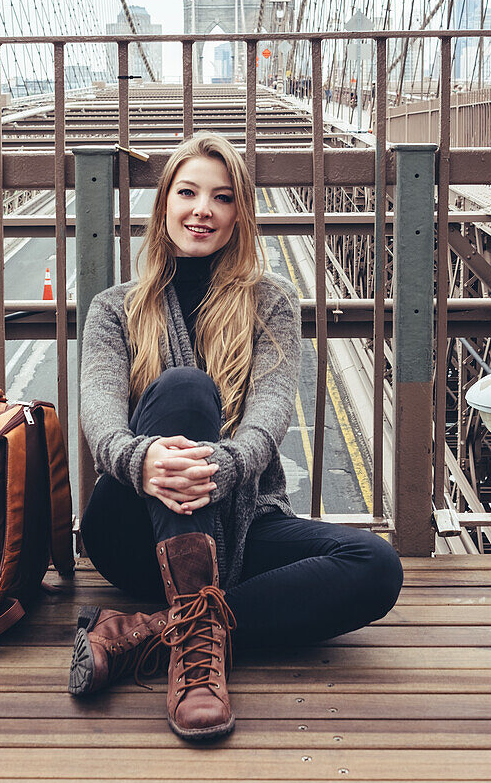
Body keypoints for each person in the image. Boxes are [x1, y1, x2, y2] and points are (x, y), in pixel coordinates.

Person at [69, 132, 403, 741]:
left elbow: (268, 419)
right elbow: (100, 420)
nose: (203, 209)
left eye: (222, 198)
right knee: (186, 389)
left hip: (242, 521)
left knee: (376, 565)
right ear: (164, 202)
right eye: (188, 192)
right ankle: (196, 667)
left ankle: (152, 632)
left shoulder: (271, 304)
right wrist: (141, 462)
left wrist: (220, 469)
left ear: (238, 214)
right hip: (131, 531)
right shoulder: (113, 310)